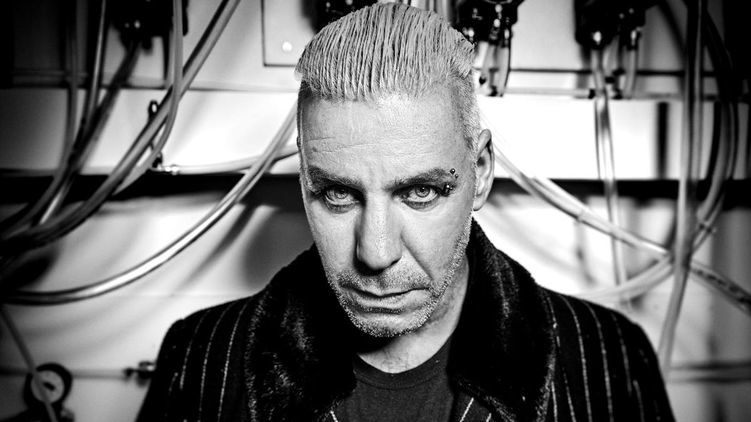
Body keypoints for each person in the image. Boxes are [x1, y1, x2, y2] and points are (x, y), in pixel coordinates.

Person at [137, 3, 674, 421]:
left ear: (481, 171)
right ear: (304, 181)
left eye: (419, 192)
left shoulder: (608, 360)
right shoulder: (202, 361)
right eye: (338, 194)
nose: (376, 253)